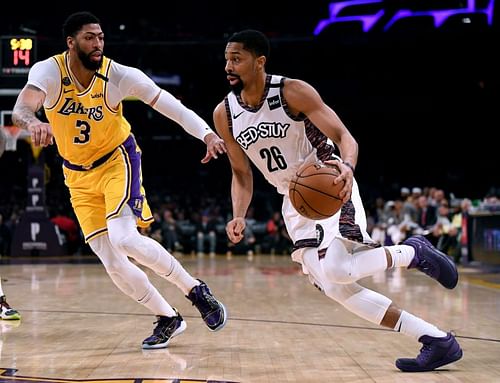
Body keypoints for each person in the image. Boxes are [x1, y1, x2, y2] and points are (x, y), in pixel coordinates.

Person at [213, 29, 462, 372]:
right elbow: (241, 174)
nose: (228, 65)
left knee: (338, 270)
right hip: (295, 201)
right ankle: (435, 340)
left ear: (260, 62)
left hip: (328, 183)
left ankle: (412, 252)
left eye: (236, 59)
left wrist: (346, 167)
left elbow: (345, 137)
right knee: (335, 288)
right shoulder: (224, 114)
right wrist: (238, 214)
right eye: (226, 59)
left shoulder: (292, 92)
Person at [12, 11, 227, 349]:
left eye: (100, 37)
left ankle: (194, 289)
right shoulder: (49, 71)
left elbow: (171, 106)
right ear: (71, 43)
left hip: (117, 161)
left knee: (124, 238)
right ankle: (168, 316)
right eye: (89, 38)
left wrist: (206, 134)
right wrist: (32, 122)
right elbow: (22, 108)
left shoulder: (119, 76)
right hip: (76, 174)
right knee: (111, 260)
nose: (97, 43)